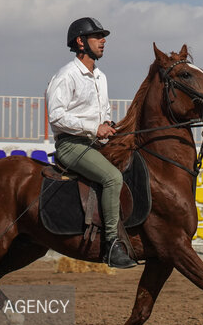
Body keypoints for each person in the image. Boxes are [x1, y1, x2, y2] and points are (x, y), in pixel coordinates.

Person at [46, 17, 136, 269]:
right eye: (97, 37)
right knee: (112, 178)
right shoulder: (66, 75)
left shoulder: (101, 77)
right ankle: (111, 245)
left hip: (94, 144)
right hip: (71, 145)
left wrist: (108, 124)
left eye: (102, 36)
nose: (103, 41)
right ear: (80, 42)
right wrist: (93, 127)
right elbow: (56, 116)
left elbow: (103, 111)